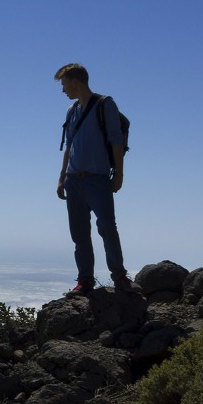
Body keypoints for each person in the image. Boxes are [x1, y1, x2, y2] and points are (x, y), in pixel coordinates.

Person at [54, 63, 131, 296]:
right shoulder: (71, 110)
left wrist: (118, 174)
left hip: (97, 179)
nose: (63, 90)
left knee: (107, 228)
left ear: (75, 82)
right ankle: (85, 281)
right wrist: (61, 178)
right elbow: (69, 147)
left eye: (64, 84)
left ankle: (119, 277)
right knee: (79, 234)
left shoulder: (104, 104)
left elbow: (117, 141)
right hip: (73, 180)